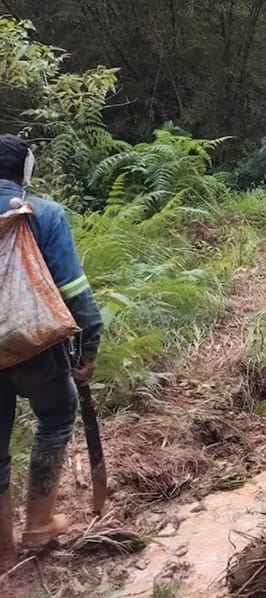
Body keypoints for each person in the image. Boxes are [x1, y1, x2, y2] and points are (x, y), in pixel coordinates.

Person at [0, 135, 104, 566]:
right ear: (25, 172)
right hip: (34, 347)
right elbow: (78, 298)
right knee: (58, 414)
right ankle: (38, 525)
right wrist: (87, 351)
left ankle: (3, 553)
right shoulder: (44, 215)